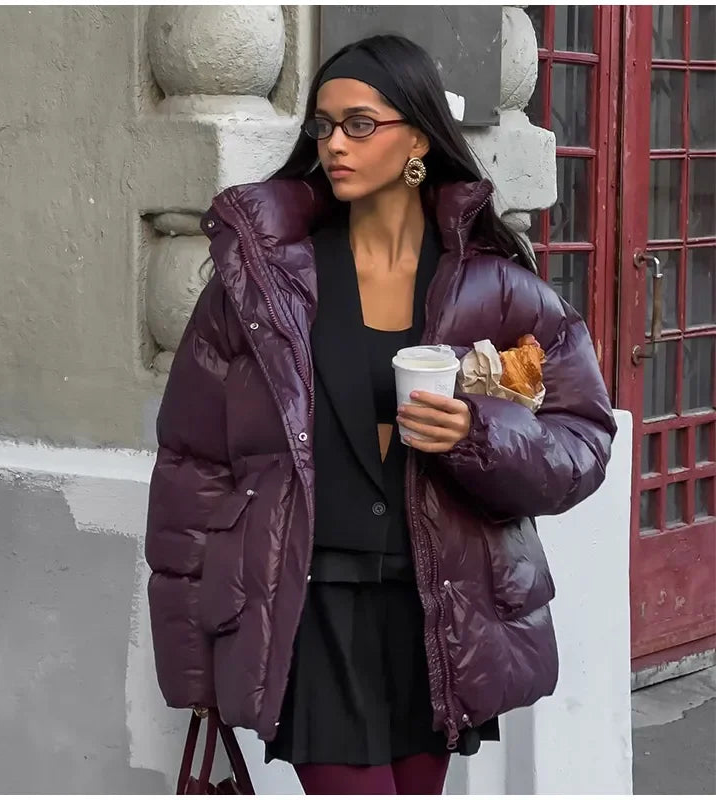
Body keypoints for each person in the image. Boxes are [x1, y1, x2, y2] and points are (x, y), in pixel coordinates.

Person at [145, 34, 617, 795]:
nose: (334, 144)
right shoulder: (261, 288)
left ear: (419, 140)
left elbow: (582, 443)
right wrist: (194, 666)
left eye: (359, 124)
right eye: (323, 127)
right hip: (309, 605)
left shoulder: (497, 289)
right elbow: (193, 469)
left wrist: (477, 433)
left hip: (437, 612)